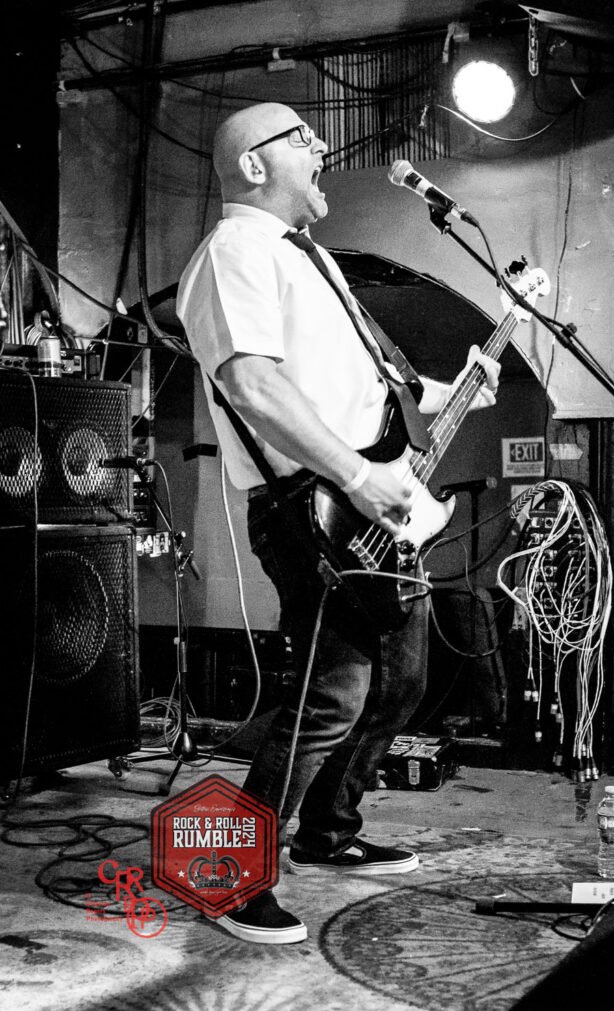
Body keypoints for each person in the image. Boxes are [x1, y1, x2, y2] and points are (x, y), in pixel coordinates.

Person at [177, 102, 501, 945]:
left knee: (400, 685)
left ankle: (327, 830)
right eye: (301, 137)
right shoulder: (235, 251)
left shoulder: (308, 256)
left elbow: (371, 386)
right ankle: (231, 875)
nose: (322, 147)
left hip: (370, 499)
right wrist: (357, 476)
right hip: (312, 507)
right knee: (330, 694)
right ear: (254, 165)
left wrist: (452, 391)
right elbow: (252, 383)